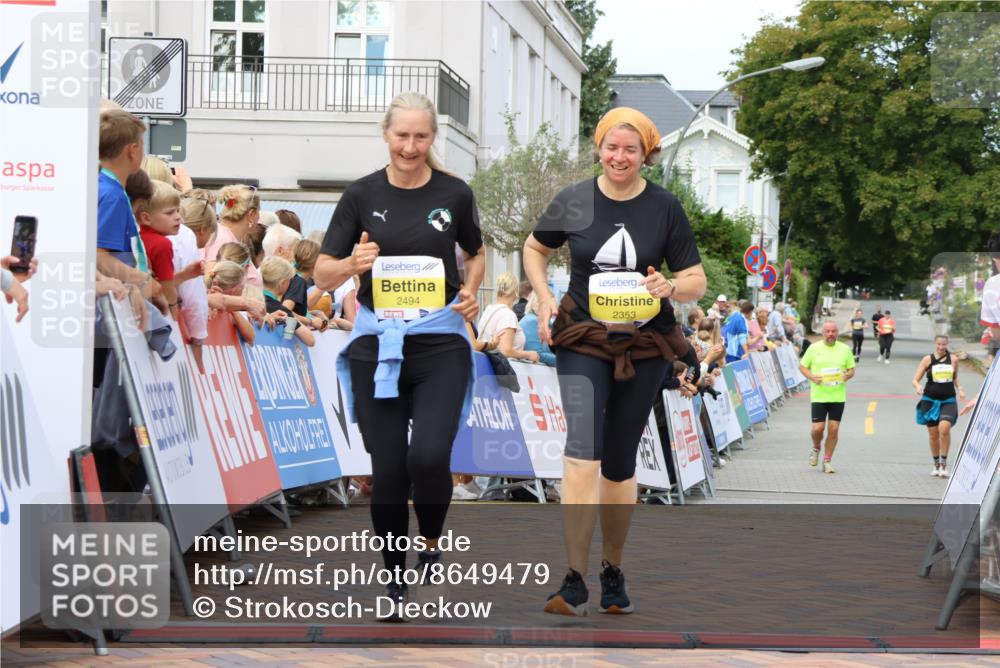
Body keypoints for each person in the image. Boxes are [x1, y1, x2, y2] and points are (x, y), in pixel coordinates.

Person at [522, 106, 706, 616]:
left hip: (645, 349)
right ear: (599, 148)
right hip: (583, 340)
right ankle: (574, 576)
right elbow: (534, 249)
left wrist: (671, 286)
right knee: (582, 452)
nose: (619, 157)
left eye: (631, 149)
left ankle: (613, 568)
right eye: (611, 147)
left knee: (621, 464)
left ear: (646, 154)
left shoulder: (665, 208)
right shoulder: (574, 200)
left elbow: (696, 279)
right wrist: (541, 295)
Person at [313, 91, 485, 619]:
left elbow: (474, 254)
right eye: (402, 135)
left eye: (421, 136)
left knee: (429, 457)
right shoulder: (360, 194)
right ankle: (392, 582)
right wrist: (352, 264)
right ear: (386, 135)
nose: (411, 146)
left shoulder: (455, 193)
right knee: (387, 470)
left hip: (439, 343)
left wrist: (472, 290)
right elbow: (320, 273)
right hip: (376, 345)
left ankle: (430, 543)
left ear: (433, 138)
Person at [137, 181, 204, 320]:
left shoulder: (139, 237)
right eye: (169, 213)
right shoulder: (162, 244)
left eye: (178, 210)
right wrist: (173, 306)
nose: (178, 217)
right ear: (146, 218)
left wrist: (186, 274)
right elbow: (166, 286)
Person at [799, 320, 856, 474]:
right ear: (823, 332)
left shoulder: (845, 349)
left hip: (837, 396)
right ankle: (816, 447)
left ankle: (827, 460)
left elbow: (851, 370)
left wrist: (846, 376)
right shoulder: (814, 348)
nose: (831, 334)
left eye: (833, 331)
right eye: (828, 331)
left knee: (834, 429)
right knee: (818, 429)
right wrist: (812, 377)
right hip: (819, 395)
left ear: (837, 332)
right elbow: (802, 366)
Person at [912, 335, 965, 478]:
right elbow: (915, 380)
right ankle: (936, 464)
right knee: (933, 434)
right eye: (939, 344)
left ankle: (943, 464)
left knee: (944, 427)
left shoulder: (953, 359)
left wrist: (960, 388)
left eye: (944, 345)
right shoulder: (927, 360)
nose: (941, 347)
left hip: (948, 399)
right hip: (929, 400)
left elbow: (954, 377)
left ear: (947, 345)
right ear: (935, 344)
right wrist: (918, 387)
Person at [202, 184, 263, 289]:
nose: (259, 217)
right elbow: (210, 280)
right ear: (251, 214)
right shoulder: (222, 239)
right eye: (259, 212)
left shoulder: (223, 235)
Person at [478, 272, 540, 363]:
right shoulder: (508, 315)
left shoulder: (489, 309)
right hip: (503, 369)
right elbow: (505, 351)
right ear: (515, 292)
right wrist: (529, 354)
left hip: (487, 364)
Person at [260, 256, 317, 346]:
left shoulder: (250, 301)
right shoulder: (281, 311)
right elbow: (310, 340)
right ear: (282, 283)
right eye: (289, 281)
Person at [520, 293, 556, 366]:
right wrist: (564, 360)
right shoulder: (532, 321)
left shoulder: (543, 321)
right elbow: (538, 354)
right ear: (535, 305)